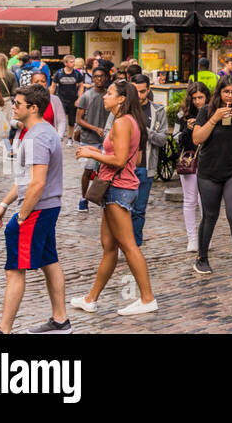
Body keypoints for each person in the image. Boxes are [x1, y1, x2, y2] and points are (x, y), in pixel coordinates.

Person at [69, 78, 157, 316]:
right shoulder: (130, 121)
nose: (104, 96)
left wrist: (92, 153)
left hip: (118, 188)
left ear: (121, 99)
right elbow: (132, 158)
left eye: (109, 93)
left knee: (128, 246)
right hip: (118, 187)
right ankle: (91, 298)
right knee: (109, 247)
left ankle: (148, 298)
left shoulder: (121, 123)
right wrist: (98, 151)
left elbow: (119, 160)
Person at [0, 83, 71, 334]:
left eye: (17, 104)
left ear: (33, 108)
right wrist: (4, 203)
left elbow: (37, 182)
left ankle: (4, 330)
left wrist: (21, 216)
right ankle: (60, 321)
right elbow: (26, 178)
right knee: (49, 260)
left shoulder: (37, 137)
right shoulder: (41, 131)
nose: (12, 107)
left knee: (14, 269)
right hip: (46, 207)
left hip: (37, 210)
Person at [189, 73, 232, 277]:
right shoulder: (207, 110)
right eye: (226, 91)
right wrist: (215, 118)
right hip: (209, 171)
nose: (229, 95)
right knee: (210, 215)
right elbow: (197, 139)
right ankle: (202, 258)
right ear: (219, 92)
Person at [128, 73, 168, 246]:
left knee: (139, 210)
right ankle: (124, 242)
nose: (139, 96)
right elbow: (108, 132)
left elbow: (162, 139)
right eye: (136, 91)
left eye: (143, 92)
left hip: (146, 165)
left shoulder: (157, 112)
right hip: (124, 165)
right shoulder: (123, 109)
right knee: (122, 208)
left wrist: (144, 130)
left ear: (148, 90)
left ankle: (135, 244)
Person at [176, 82, 208, 252]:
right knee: (190, 200)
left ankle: (205, 236)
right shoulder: (183, 115)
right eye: (194, 98)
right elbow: (176, 139)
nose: (197, 101)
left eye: (200, 97)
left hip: (208, 160)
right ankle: (192, 238)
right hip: (189, 160)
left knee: (205, 201)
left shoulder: (212, 113)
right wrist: (187, 130)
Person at [74, 65, 111, 212]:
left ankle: (102, 197)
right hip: (89, 139)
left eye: (101, 76)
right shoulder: (87, 96)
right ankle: (84, 198)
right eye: (96, 77)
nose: (99, 79)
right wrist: (95, 129)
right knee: (88, 170)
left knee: (104, 171)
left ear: (106, 78)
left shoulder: (110, 95)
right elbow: (79, 119)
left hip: (106, 140)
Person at [53, 55, 84, 148]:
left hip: (73, 99)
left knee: (71, 120)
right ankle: (58, 136)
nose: (73, 63)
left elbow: (81, 86)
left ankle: (70, 138)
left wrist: (79, 99)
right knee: (59, 119)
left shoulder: (77, 74)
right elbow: (53, 86)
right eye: (71, 62)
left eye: (73, 61)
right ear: (65, 63)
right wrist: (50, 98)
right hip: (61, 99)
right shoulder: (59, 73)